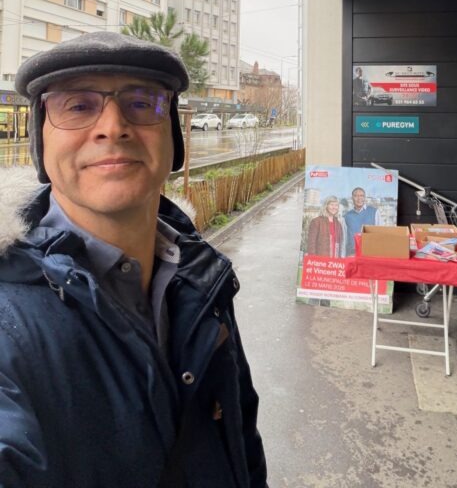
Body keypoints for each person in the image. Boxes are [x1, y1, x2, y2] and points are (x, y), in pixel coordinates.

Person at [0, 32, 268, 488]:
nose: (113, 126)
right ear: (40, 142)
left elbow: (242, 443)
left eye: (142, 103)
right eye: (78, 106)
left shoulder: (201, 277)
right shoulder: (9, 326)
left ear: (172, 139)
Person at [343, 187, 382, 256]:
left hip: (370, 253)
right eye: (356, 196)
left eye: (361, 196)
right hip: (352, 254)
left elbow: (380, 234)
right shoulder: (346, 216)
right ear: (352, 198)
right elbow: (344, 238)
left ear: (364, 198)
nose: (359, 198)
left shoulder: (375, 212)